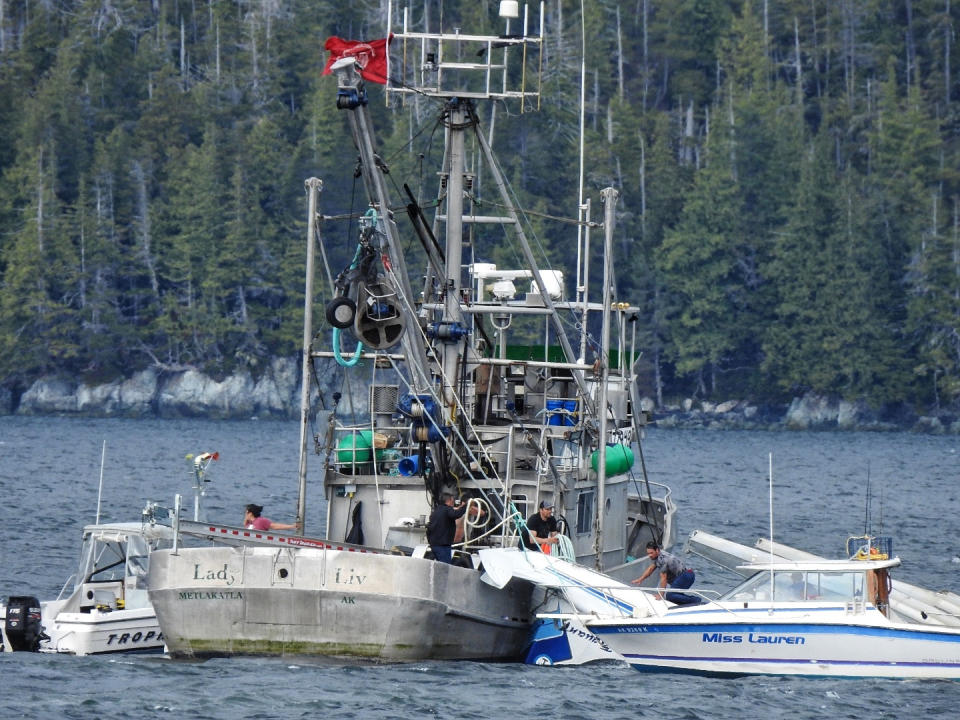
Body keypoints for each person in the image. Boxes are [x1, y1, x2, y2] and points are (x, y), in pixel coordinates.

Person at [631, 540, 699, 605]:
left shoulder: (663, 559)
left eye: (651, 553)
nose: (650, 555)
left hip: (686, 576)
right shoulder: (658, 556)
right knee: (674, 596)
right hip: (684, 576)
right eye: (648, 553)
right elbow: (651, 568)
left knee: (670, 595)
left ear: (657, 550)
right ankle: (686, 604)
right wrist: (640, 579)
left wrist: (660, 595)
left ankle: (696, 601)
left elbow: (663, 578)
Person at [427, 493, 467, 564]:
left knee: (440, 565)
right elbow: (456, 514)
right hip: (443, 545)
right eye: (453, 500)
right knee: (445, 566)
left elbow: (429, 528)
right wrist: (465, 507)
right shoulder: (447, 509)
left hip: (434, 544)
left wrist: (430, 541)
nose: (453, 501)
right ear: (449, 500)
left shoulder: (436, 511)